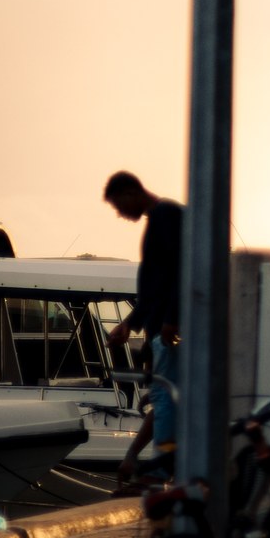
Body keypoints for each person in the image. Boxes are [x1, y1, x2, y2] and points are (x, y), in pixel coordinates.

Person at [103, 172, 183, 484]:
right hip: (160, 326)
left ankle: (160, 469)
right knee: (165, 398)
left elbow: (180, 270)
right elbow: (157, 287)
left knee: (164, 399)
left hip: (167, 328)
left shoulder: (165, 215)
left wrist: (171, 319)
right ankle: (146, 463)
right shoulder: (161, 217)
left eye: (118, 206)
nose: (120, 214)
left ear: (130, 192)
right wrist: (129, 323)